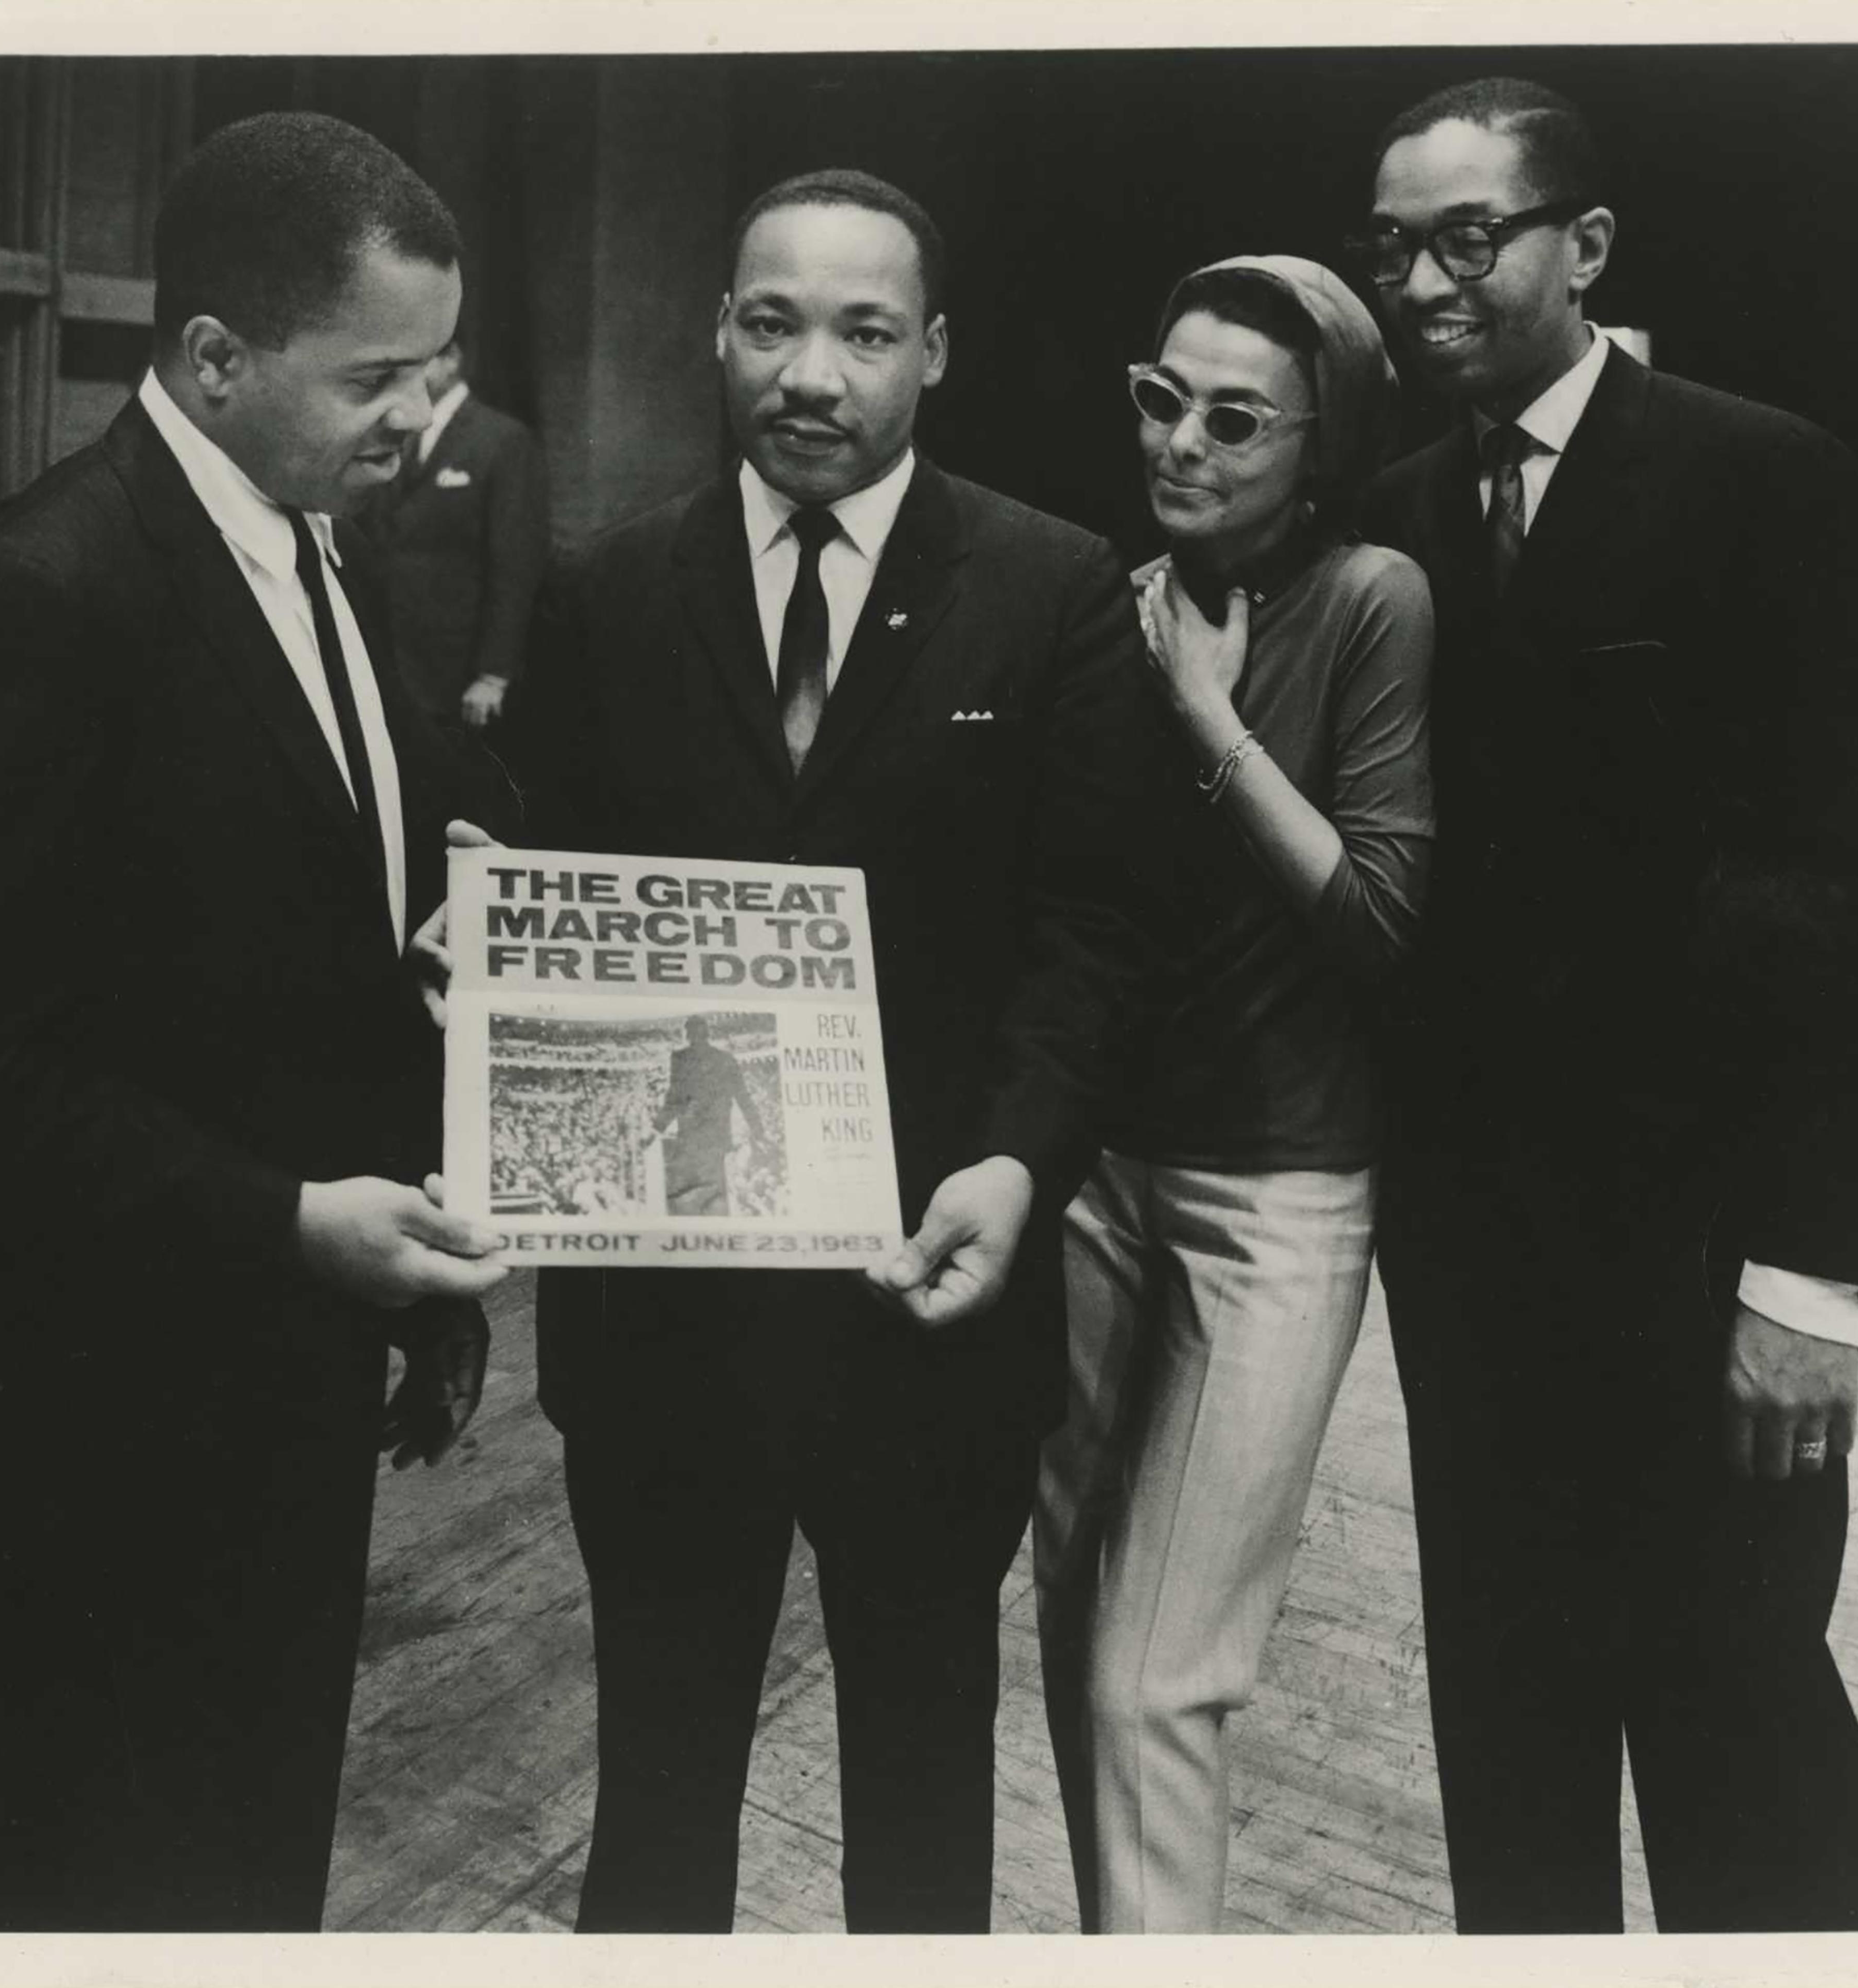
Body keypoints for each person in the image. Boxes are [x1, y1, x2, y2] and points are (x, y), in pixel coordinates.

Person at [0, 111, 515, 1931]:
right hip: (106, 1422)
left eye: (438, 374)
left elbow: (309, 897)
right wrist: (286, 1224)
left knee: (242, 1868)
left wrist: (457, 884)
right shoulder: (38, 600)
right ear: (215, 360)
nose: (418, 420)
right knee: (80, 1869)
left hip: (292, 1387)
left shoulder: (320, 540)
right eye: (375, 376)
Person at [498, 167, 1159, 1933]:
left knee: (926, 1812)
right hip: (662, 1334)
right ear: (720, 332)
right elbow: (540, 894)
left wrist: (1019, 1163)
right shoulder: (607, 592)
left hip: (927, 1314)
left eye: (865, 332)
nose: (814, 372)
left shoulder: (1054, 589)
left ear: (932, 355)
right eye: (774, 321)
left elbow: (1094, 937)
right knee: (655, 1804)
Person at [1350, 76, 1858, 1931]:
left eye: (1466, 238)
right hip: (1477, 1272)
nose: (1420, 282)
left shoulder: (1763, 473)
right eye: (1392, 246)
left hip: (1714, 1269)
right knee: (1512, 1745)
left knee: (1743, 1752)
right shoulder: (1389, 511)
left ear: (1588, 245)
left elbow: (1835, 889)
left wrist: (1814, 1278)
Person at [1033, 256, 1433, 1933]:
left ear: (1320, 443)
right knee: (1074, 1625)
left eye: (1236, 418)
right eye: (1159, 399)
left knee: (1159, 1678)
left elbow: (1385, 925)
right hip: (1104, 1180)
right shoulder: (1111, 597)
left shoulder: (1372, 598)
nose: (1182, 443)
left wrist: (1208, 718)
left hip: (1277, 1195)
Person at [359, 332, 546, 734]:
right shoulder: (392, 434)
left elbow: (515, 566)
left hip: (458, 671)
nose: (402, 380)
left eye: (417, 365)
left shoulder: (502, 440)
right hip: (390, 660)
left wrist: (494, 674)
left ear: (451, 360)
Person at [653, 1014, 764, 1216]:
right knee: (716, 1191)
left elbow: (674, 1099)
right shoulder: (725, 1059)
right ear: (707, 1033)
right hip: (715, 1137)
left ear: (688, 1035)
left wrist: (657, 1128)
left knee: (692, 1194)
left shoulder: (680, 1059)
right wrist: (758, 1129)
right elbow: (743, 1097)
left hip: (692, 1137)